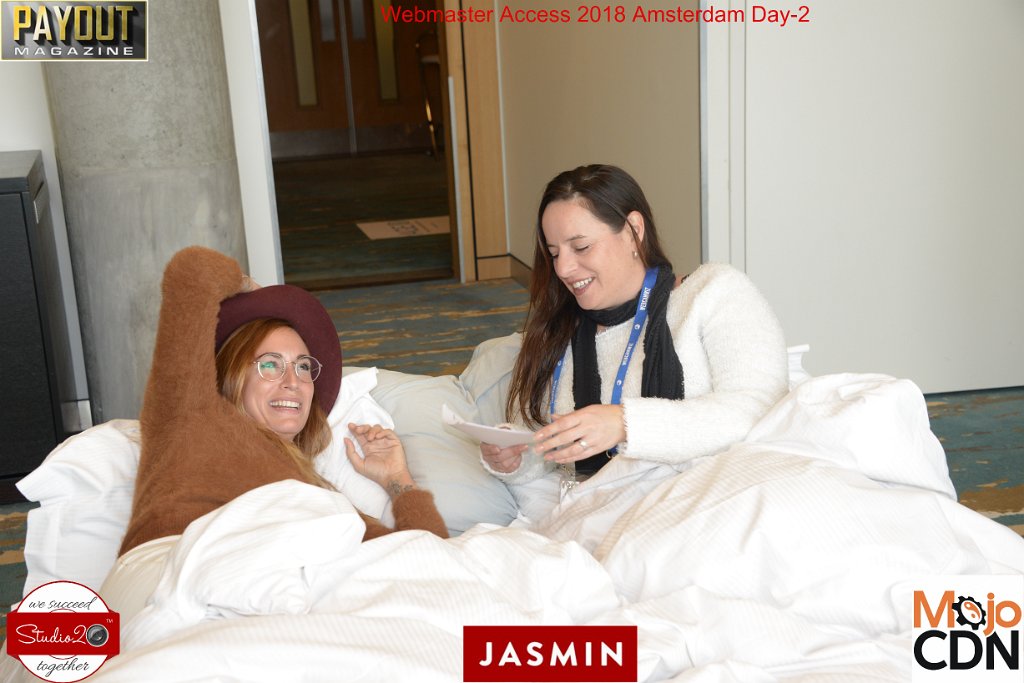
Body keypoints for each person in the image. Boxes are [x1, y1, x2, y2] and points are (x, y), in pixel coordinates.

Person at [105, 246, 447, 618]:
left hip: (280, 604)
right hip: (178, 580)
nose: (292, 381)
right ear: (232, 374)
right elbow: (194, 272)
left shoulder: (318, 496)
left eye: (303, 367)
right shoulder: (193, 418)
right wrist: (251, 291)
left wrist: (398, 480)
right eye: (271, 365)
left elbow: (428, 564)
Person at [480, 164, 788, 495]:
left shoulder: (714, 293)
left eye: (581, 247)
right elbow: (549, 450)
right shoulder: (557, 331)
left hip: (707, 499)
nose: (564, 268)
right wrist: (513, 459)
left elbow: (760, 410)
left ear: (633, 231)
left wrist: (623, 423)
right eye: (554, 254)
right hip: (601, 507)